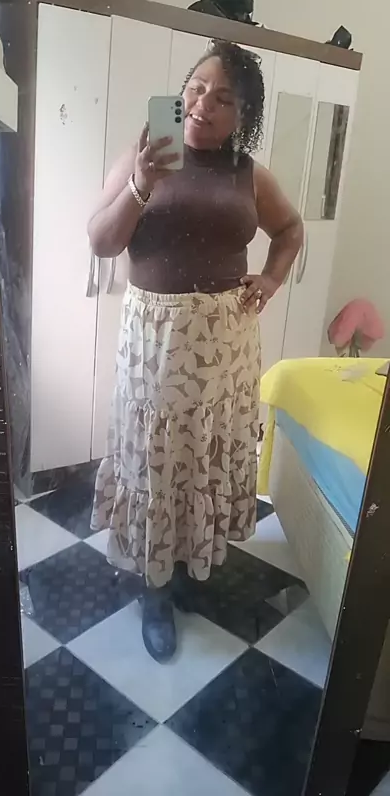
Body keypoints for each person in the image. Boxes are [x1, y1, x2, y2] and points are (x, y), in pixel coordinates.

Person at [88, 39, 303, 663]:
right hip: (156, 346)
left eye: (224, 98)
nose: (204, 104)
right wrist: (140, 184)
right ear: (181, 94)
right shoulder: (145, 152)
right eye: (197, 88)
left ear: (243, 115)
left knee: (200, 457)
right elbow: (100, 241)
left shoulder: (247, 173)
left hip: (224, 347)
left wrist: (271, 279)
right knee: (158, 462)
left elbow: (290, 229)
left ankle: (185, 567)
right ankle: (155, 589)